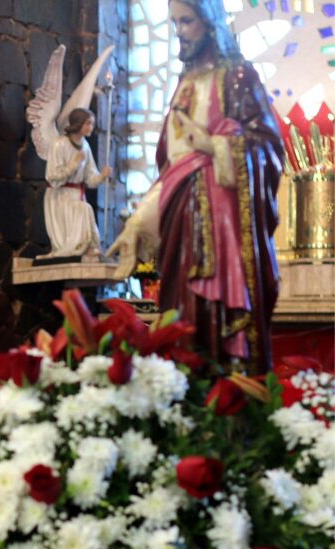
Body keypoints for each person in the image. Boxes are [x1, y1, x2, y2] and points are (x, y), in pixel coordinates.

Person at [109, 0, 284, 373]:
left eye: (186, 21)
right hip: (181, 226)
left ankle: (230, 397)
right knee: (182, 317)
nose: (179, 31)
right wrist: (138, 224)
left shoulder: (238, 77)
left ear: (210, 22)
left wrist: (213, 145)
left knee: (216, 321)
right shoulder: (184, 84)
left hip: (226, 233)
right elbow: (173, 166)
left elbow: (268, 145)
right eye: (174, 22)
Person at [43, 108, 113, 258]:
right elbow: (52, 176)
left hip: (77, 196)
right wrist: (72, 165)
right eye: (88, 123)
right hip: (59, 196)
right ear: (78, 123)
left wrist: (101, 176)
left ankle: (86, 249)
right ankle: (77, 248)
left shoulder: (85, 146)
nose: (91, 127)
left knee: (84, 208)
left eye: (92, 124)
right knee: (84, 209)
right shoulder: (59, 144)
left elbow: (89, 178)